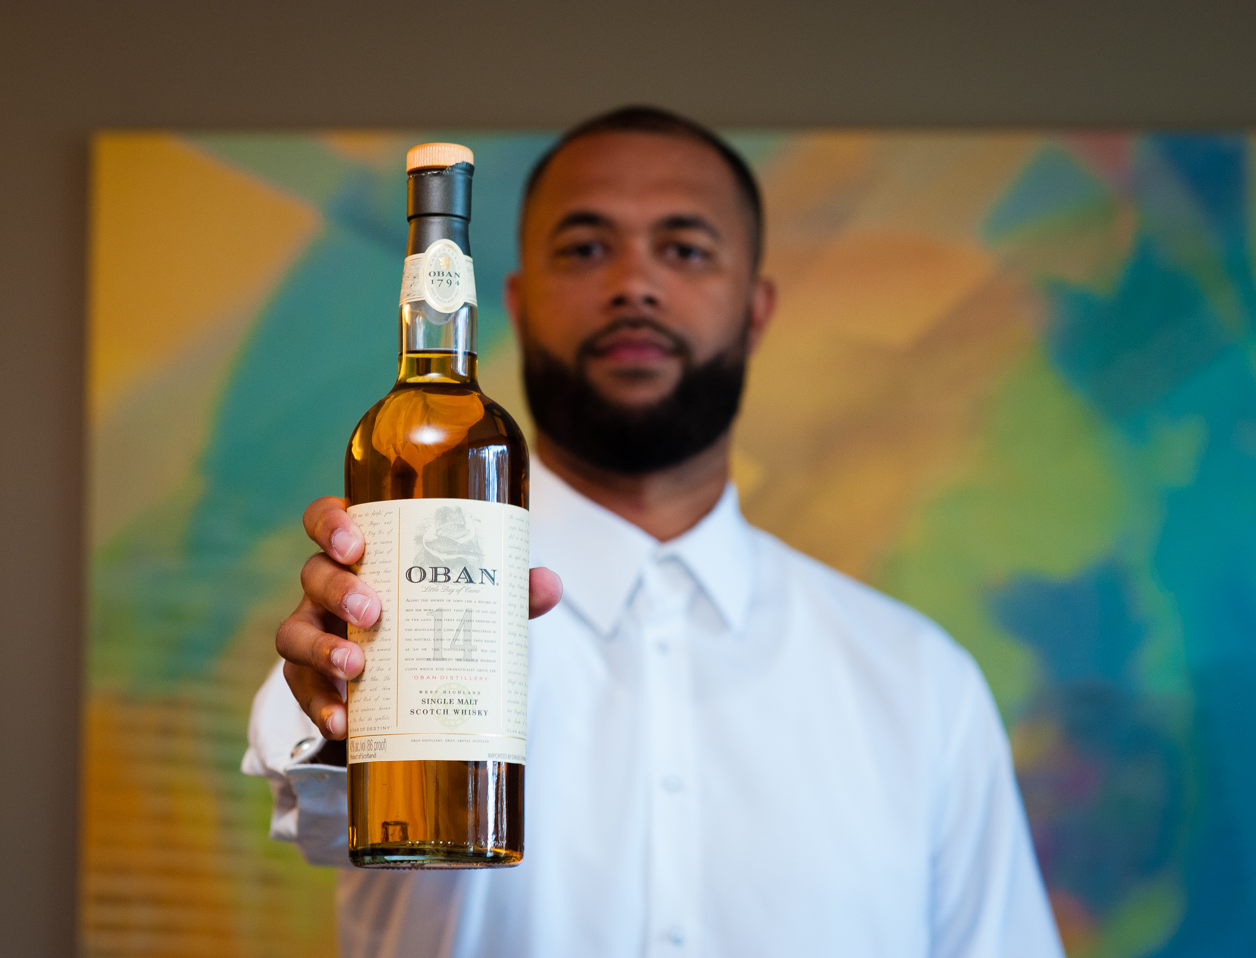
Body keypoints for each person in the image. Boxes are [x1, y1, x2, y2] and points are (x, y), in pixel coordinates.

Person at [243, 106, 1064, 958]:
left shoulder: (926, 687)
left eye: (685, 249)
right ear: (515, 306)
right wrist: (342, 713)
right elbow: (326, 808)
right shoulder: (370, 619)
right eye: (586, 248)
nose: (634, 283)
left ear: (756, 310)